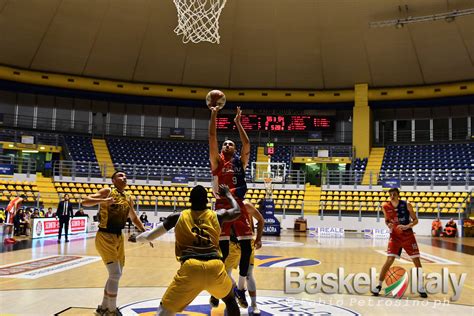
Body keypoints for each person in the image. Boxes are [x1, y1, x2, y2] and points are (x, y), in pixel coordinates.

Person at [131, 184, 241, 316]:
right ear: (207, 201)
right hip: (215, 267)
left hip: (190, 267)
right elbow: (237, 211)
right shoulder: (218, 215)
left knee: (164, 310)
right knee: (230, 299)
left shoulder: (177, 217)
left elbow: (149, 236)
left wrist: (136, 238)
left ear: (190, 200)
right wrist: (228, 194)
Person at [83, 170, 148, 316]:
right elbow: (84, 201)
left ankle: (103, 308)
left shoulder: (128, 197)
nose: (124, 177)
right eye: (120, 175)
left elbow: (134, 217)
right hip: (105, 235)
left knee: (115, 275)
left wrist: (145, 232)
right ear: (113, 180)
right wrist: (103, 201)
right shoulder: (107, 191)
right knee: (115, 273)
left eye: (125, 175)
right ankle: (111, 310)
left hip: (119, 237)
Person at [209, 103, 253, 307]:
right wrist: (214, 115)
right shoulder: (217, 162)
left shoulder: (239, 163)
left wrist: (238, 122)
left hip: (239, 205)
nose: (226, 145)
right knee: (223, 253)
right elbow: (211, 139)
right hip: (221, 207)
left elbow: (247, 144)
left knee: (246, 248)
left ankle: (241, 289)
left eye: (230, 144)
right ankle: (219, 288)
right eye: (224, 143)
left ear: (234, 149)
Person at [371, 188, 427, 298]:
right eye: (390, 194)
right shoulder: (385, 206)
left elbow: (415, 220)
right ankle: (378, 285)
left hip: (408, 236)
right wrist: (388, 225)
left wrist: (407, 226)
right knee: (389, 260)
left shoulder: (407, 205)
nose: (392, 196)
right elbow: (387, 220)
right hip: (395, 237)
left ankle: (421, 287)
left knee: (416, 261)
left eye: (394, 194)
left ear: (398, 195)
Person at [222, 200, 264, 315]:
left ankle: (254, 305)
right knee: (225, 273)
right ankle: (234, 296)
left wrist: (259, 238)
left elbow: (261, 219)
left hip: (247, 241)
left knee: (249, 274)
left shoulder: (246, 205)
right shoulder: (224, 207)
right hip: (232, 243)